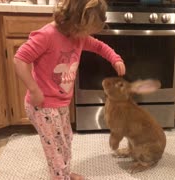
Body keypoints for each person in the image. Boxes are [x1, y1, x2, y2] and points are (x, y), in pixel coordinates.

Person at [13, 0, 126, 179]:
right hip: (43, 105)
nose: (87, 36)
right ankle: (60, 175)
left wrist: (115, 58)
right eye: (87, 30)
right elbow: (20, 59)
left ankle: (64, 173)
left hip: (60, 103)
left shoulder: (77, 35)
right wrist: (34, 90)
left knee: (65, 142)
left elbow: (98, 46)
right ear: (76, 20)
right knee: (55, 151)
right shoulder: (47, 35)